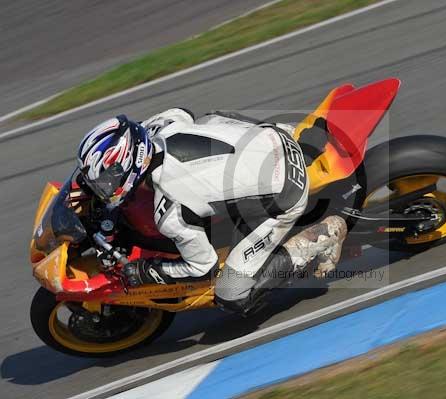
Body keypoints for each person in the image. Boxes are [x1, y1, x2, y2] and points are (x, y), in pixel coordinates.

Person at [76, 108, 347, 314]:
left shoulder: (171, 210)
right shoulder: (158, 129)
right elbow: (181, 112)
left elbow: (201, 267)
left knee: (231, 294)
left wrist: (144, 271)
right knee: (208, 118)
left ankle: (321, 238)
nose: (105, 187)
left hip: (286, 190)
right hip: (275, 136)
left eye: (107, 179)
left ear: (130, 162)